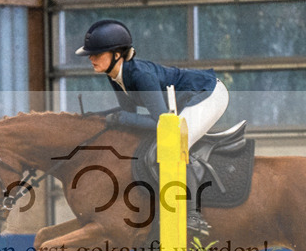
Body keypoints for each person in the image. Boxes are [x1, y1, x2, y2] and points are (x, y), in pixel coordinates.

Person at [76, 19, 229, 235]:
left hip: (208, 94)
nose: (91, 58)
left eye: (97, 53)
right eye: (90, 54)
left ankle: (194, 217)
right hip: (184, 101)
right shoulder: (115, 76)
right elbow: (129, 116)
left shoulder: (141, 76)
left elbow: (162, 123)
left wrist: (119, 118)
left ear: (117, 54)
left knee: (173, 143)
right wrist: (103, 117)